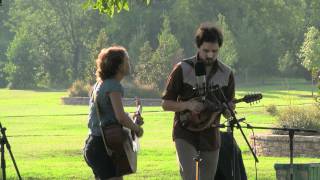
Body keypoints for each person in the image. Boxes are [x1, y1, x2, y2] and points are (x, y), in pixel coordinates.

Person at [162, 22, 235, 180]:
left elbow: (230, 104)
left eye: (214, 51)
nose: (210, 55)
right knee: (189, 176)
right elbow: (166, 104)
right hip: (184, 132)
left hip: (211, 134)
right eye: (206, 51)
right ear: (198, 47)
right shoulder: (182, 69)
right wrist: (187, 105)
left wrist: (229, 109)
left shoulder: (227, 73)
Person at [83, 46, 143, 180]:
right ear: (118, 66)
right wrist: (137, 129)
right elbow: (120, 117)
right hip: (103, 147)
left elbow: (112, 116)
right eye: (126, 60)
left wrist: (132, 119)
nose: (129, 63)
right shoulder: (113, 86)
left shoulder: (100, 84)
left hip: (95, 144)